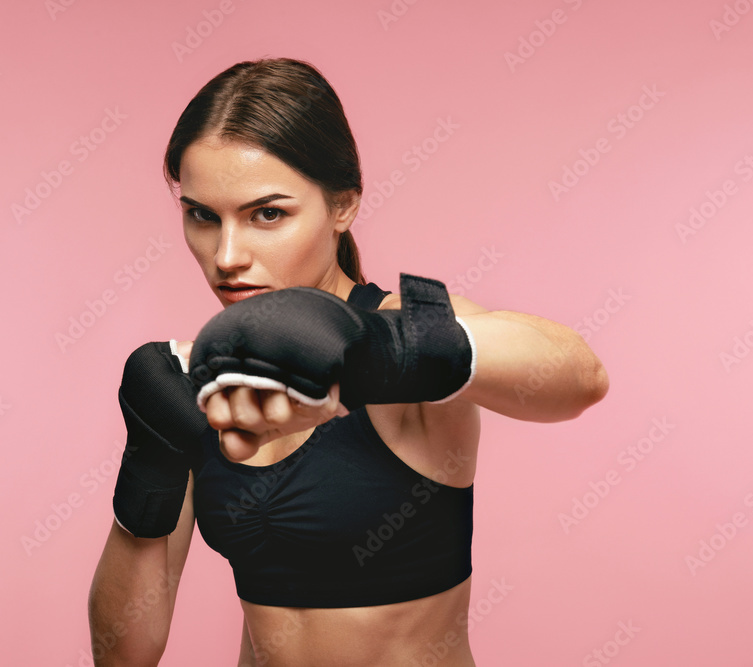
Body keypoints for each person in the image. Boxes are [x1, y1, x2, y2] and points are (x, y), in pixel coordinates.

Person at [88, 57, 609, 666]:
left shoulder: (404, 335)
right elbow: (124, 654)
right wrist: (150, 461)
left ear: (343, 206)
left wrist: (375, 353)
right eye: (203, 215)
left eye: (267, 214)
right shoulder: (208, 383)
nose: (226, 255)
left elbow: (579, 376)